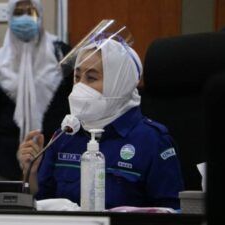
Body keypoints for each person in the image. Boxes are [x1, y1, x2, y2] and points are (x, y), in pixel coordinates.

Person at [18, 25, 184, 210]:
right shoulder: (65, 134)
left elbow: (172, 211)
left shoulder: (152, 140)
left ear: (119, 83)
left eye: (91, 78)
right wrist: (31, 174)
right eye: (77, 77)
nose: (80, 86)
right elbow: (42, 203)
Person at [0, 0, 73, 181]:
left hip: (54, 158)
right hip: (7, 161)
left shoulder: (62, 55)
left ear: (40, 15)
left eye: (30, 11)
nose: (25, 17)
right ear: (10, 17)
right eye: (18, 12)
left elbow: (74, 106)